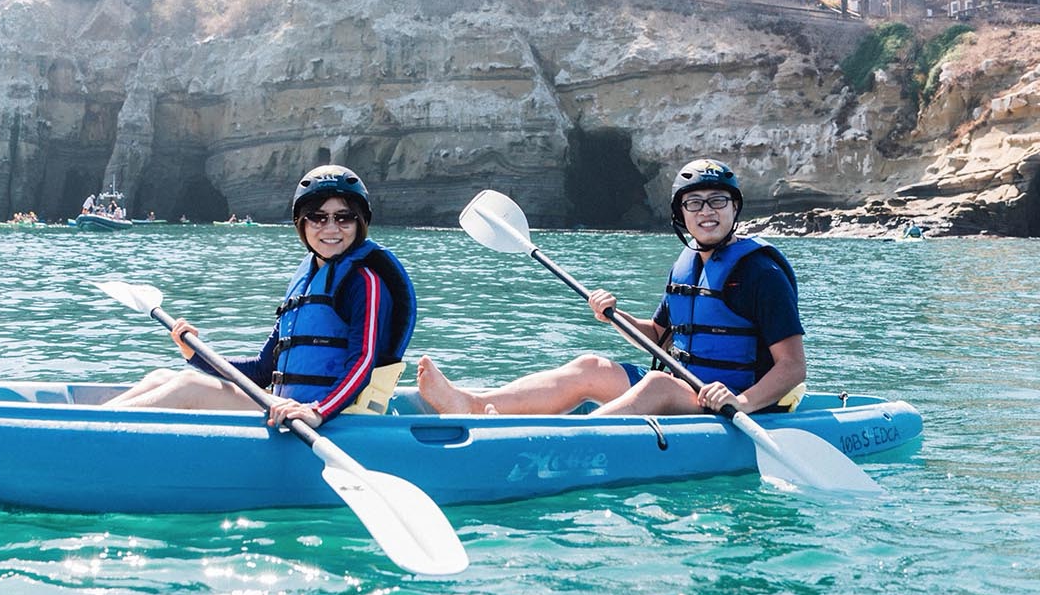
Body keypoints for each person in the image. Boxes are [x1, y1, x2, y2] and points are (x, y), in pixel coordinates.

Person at [418, 158, 807, 418]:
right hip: (684, 386)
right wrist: (615, 316)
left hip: (728, 400)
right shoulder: (687, 265)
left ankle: (563, 439)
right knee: (590, 366)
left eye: (718, 201)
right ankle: (471, 405)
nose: (707, 211)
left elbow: (792, 367)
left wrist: (740, 402)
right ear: (681, 215)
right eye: (695, 204)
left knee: (656, 384)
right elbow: (658, 336)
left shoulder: (760, 273)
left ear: (734, 209)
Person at [105, 165, 417, 428]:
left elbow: (363, 362)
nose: (331, 228)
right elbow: (261, 370)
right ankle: (82, 425)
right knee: (162, 376)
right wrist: (193, 354)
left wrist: (318, 411)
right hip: (288, 408)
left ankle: (79, 437)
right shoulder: (306, 281)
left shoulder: (365, 282)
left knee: (189, 386)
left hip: (336, 417)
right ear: (302, 223)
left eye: (343, 217)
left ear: (359, 222)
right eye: (318, 217)